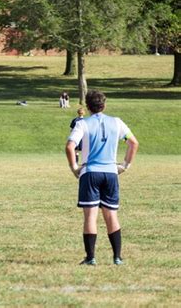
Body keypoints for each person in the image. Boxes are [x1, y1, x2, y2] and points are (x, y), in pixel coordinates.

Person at [66, 90, 139, 266]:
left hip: (90, 172)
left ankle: (90, 258)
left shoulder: (82, 124)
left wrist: (75, 168)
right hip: (111, 173)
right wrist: (125, 166)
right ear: (104, 105)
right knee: (111, 215)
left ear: (88, 107)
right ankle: (117, 257)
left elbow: (70, 147)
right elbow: (133, 143)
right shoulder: (117, 122)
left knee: (90, 216)